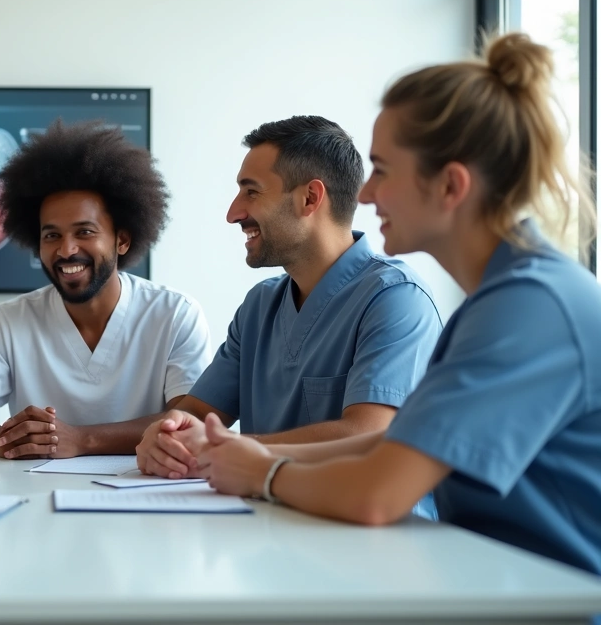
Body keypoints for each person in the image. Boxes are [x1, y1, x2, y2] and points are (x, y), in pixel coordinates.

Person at [198, 33, 601, 581]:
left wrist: (263, 473)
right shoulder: (505, 297)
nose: (363, 196)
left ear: (451, 186)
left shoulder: (530, 307)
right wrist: (240, 455)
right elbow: (401, 441)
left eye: (382, 171)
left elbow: (378, 494)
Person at [135, 116, 443, 482]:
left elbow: (370, 434)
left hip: (369, 535)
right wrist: (166, 436)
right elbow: (198, 416)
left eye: (251, 192)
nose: (233, 213)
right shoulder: (259, 306)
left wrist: (228, 450)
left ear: (310, 198)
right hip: (270, 524)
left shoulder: (396, 300)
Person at [0, 120, 214, 459]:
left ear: (121, 240)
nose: (66, 250)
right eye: (52, 235)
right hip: (36, 499)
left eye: (84, 232)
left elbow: (189, 422)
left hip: (143, 497)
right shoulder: (11, 321)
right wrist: (9, 439)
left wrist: (82, 440)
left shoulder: (175, 315)